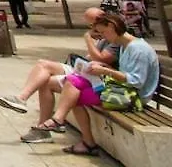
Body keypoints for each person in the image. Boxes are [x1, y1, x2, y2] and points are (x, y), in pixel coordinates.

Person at [16, 11, 160, 154]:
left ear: (111, 26)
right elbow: (125, 73)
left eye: (103, 32)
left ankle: (75, 132)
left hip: (133, 97)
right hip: (121, 90)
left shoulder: (138, 49)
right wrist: (103, 67)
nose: (103, 37)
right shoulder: (125, 45)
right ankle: (70, 129)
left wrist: (106, 71)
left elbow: (136, 81)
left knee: (74, 93)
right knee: (74, 82)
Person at [0, 8, 118, 141]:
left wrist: (88, 39)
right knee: (42, 66)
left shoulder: (113, 38)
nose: (95, 29)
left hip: (97, 78)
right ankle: (22, 100)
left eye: (97, 24)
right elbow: (91, 57)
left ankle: (44, 124)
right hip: (87, 71)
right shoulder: (104, 37)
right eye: (91, 25)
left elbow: (101, 59)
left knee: (50, 82)